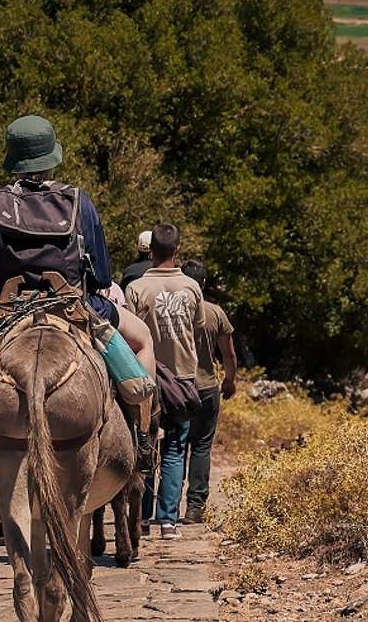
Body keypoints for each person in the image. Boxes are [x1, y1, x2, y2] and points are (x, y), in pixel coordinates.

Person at [0, 114, 155, 406]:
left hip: (5, 309)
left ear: (12, 160)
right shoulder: (79, 201)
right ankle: (143, 429)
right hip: (73, 306)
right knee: (143, 337)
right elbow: (102, 277)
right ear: (52, 157)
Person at [125, 223, 204, 540]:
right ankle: (168, 520)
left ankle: (141, 519)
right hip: (183, 376)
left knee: (145, 446)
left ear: (151, 251)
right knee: (175, 448)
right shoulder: (191, 288)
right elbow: (196, 331)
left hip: (146, 378)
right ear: (177, 250)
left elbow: (128, 335)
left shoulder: (137, 288)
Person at [181, 259, 237, 524]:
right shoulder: (216, 312)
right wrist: (230, 380)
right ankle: (195, 506)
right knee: (201, 446)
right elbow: (229, 353)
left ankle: (166, 506)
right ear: (203, 283)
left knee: (175, 446)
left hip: (177, 386)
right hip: (206, 385)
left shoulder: (174, 311)